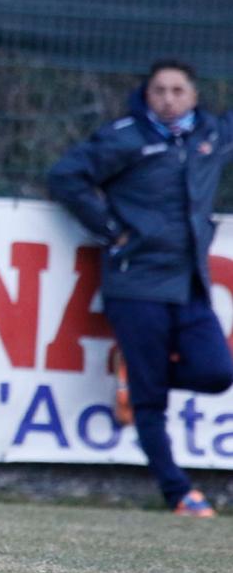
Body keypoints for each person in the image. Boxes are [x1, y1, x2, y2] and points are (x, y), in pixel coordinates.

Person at [49, 60, 233, 517]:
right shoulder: (125, 136)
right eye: (159, 91)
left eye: (177, 90)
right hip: (136, 284)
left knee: (217, 373)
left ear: (194, 96)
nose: (168, 99)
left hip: (189, 284)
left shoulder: (210, 135)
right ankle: (179, 493)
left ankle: (136, 375)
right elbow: (65, 176)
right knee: (151, 403)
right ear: (147, 96)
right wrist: (111, 230)